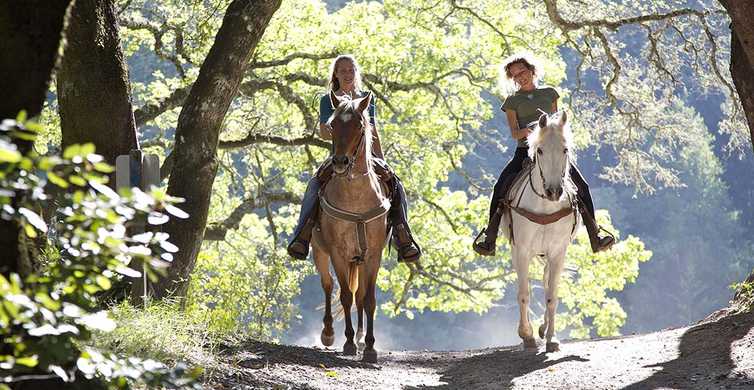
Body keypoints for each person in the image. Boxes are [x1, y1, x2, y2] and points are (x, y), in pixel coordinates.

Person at [473, 53, 615, 256]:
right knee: (500, 186)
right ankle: (490, 236)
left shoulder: (549, 93)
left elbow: (557, 124)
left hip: (551, 151)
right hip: (525, 151)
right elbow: (515, 133)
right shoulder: (512, 101)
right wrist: (534, 131)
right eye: (514, 76)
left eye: (521, 72)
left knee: (581, 185)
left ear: (531, 70)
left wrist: (550, 135)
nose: (519, 77)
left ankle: (595, 233)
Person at [287, 54, 421, 263]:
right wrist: (340, 129)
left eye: (351, 70)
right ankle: (302, 234)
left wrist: (382, 160)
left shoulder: (366, 98)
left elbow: (373, 130)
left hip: (365, 156)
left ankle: (403, 235)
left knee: (395, 184)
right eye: (343, 70)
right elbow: (323, 132)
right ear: (336, 74)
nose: (348, 74)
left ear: (356, 73)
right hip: (339, 156)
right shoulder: (327, 99)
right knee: (314, 184)